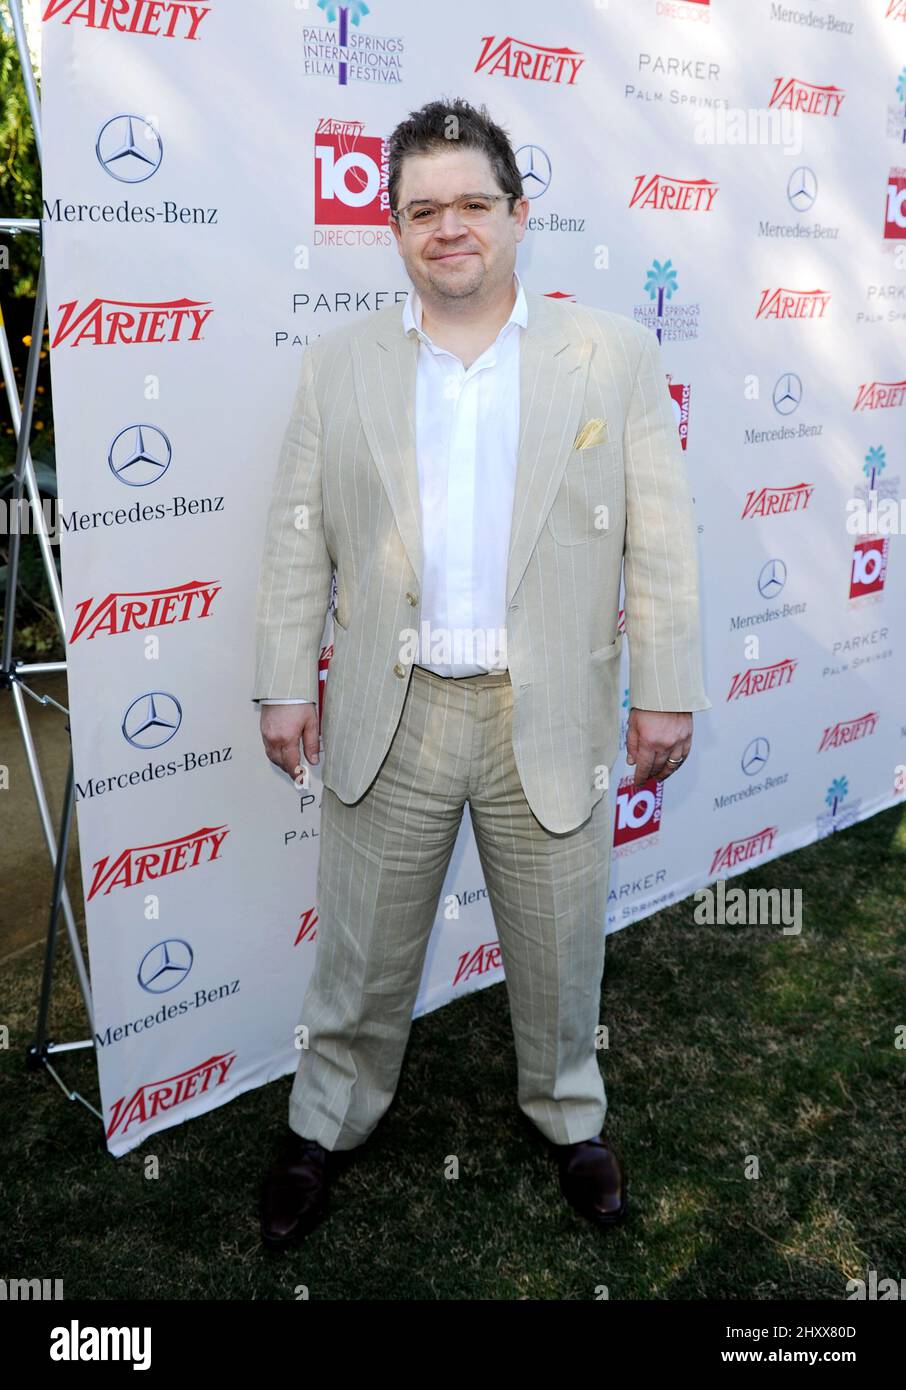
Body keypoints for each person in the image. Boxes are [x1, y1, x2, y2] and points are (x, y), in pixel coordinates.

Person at [252, 97, 710, 1250]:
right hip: (389, 712)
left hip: (544, 707)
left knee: (560, 948)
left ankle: (570, 1114)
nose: (447, 226)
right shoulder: (339, 364)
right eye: (422, 209)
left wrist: (667, 682)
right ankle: (326, 1121)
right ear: (396, 230)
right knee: (361, 950)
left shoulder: (610, 353)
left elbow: (658, 533)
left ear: (517, 213)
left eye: (471, 203)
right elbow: (299, 532)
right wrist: (282, 679)